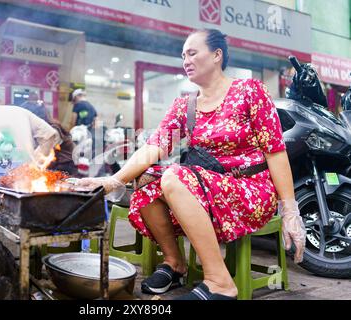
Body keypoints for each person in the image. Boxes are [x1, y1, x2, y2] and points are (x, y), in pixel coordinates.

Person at [77, 29, 306, 300]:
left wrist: (290, 209)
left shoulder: (250, 92)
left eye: (193, 53)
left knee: (173, 176)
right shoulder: (185, 105)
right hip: (205, 187)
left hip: (250, 190)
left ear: (217, 55)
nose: (185, 60)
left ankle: (219, 282)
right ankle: (175, 263)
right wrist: (114, 180)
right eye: (183, 55)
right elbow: (154, 146)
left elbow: (275, 152)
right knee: (146, 180)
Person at [19, 95, 77, 175]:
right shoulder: (39, 130)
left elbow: (40, 154)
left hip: (65, 170)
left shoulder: (53, 130)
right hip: (55, 167)